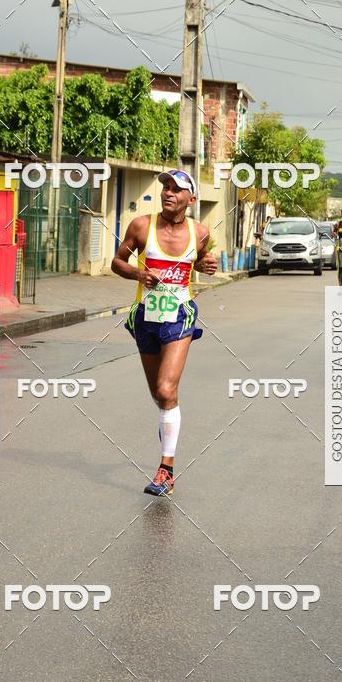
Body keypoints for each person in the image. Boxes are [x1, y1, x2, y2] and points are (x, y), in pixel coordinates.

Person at [111, 169, 217, 496]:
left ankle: (166, 470)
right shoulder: (141, 225)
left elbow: (200, 261)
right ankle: (168, 431)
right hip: (145, 314)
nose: (168, 193)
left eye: (176, 189)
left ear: (191, 199)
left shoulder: (200, 232)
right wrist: (137, 273)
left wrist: (205, 265)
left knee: (167, 388)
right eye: (165, 188)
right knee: (159, 396)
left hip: (179, 314)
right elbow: (117, 262)